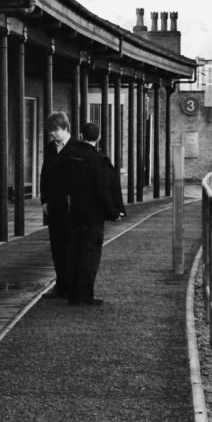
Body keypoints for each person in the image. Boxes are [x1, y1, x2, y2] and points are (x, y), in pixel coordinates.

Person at [63, 121, 126, 306]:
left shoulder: (69, 156)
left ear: (81, 135)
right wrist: (114, 212)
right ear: (98, 137)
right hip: (93, 216)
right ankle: (85, 296)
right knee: (89, 255)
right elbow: (103, 190)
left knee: (74, 252)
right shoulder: (97, 159)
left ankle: (72, 294)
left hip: (74, 212)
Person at [39, 111, 75, 298]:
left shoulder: (77, 148)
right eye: (50, 131)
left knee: (71, 245)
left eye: (55, 130)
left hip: (72, 206)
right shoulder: (49, 148)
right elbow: (44, 175)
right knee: (56, 246)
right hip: (54, 205)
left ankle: (71, 285)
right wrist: (44, 200)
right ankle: (61, 284)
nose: (52, 134)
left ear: (66, 128)